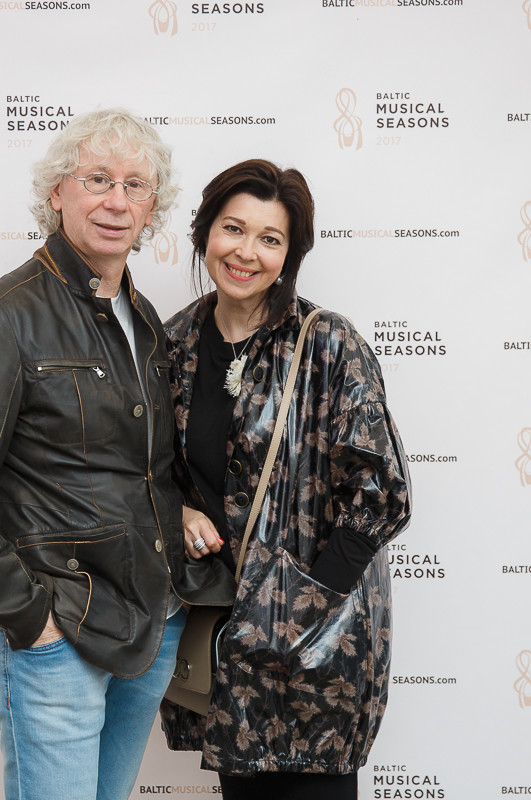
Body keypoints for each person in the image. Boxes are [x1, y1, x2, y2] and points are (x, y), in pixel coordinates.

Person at [0, 109, 230, 800]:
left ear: (152, 209)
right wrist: (31, 619)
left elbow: (134, 464)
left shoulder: (143, 320)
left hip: (152, 624)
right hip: (62, 634)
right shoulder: (0, 317)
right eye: (97, 179)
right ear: (57, 192)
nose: (117, 201)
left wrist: (180, 513)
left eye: (135, 185)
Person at [159, 159, 412, 800]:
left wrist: (305, 608)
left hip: (318, 649)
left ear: (289, 256)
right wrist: (178, 513)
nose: (246, 252)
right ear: (204, 233)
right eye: (233, 229)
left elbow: (382, 493)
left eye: (269, 238)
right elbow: (150, 470)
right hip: (228, 644)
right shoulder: (174, 344)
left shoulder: (327, 343)